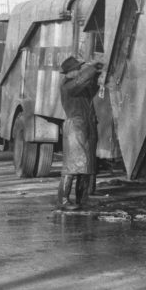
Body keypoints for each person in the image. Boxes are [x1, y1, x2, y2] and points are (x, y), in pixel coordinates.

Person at [57, 55, 103, 209]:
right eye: (77, 69)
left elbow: (91, 87)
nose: (79, 71)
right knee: (71, 168)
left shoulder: (78, 87)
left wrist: (96, 73)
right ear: (70, 72)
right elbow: (81, 80)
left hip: (85, 126)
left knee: (85, 167)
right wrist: (93, 67)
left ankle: (81, 200)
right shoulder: (68, 86)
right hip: (75, 129)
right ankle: (63, 200)